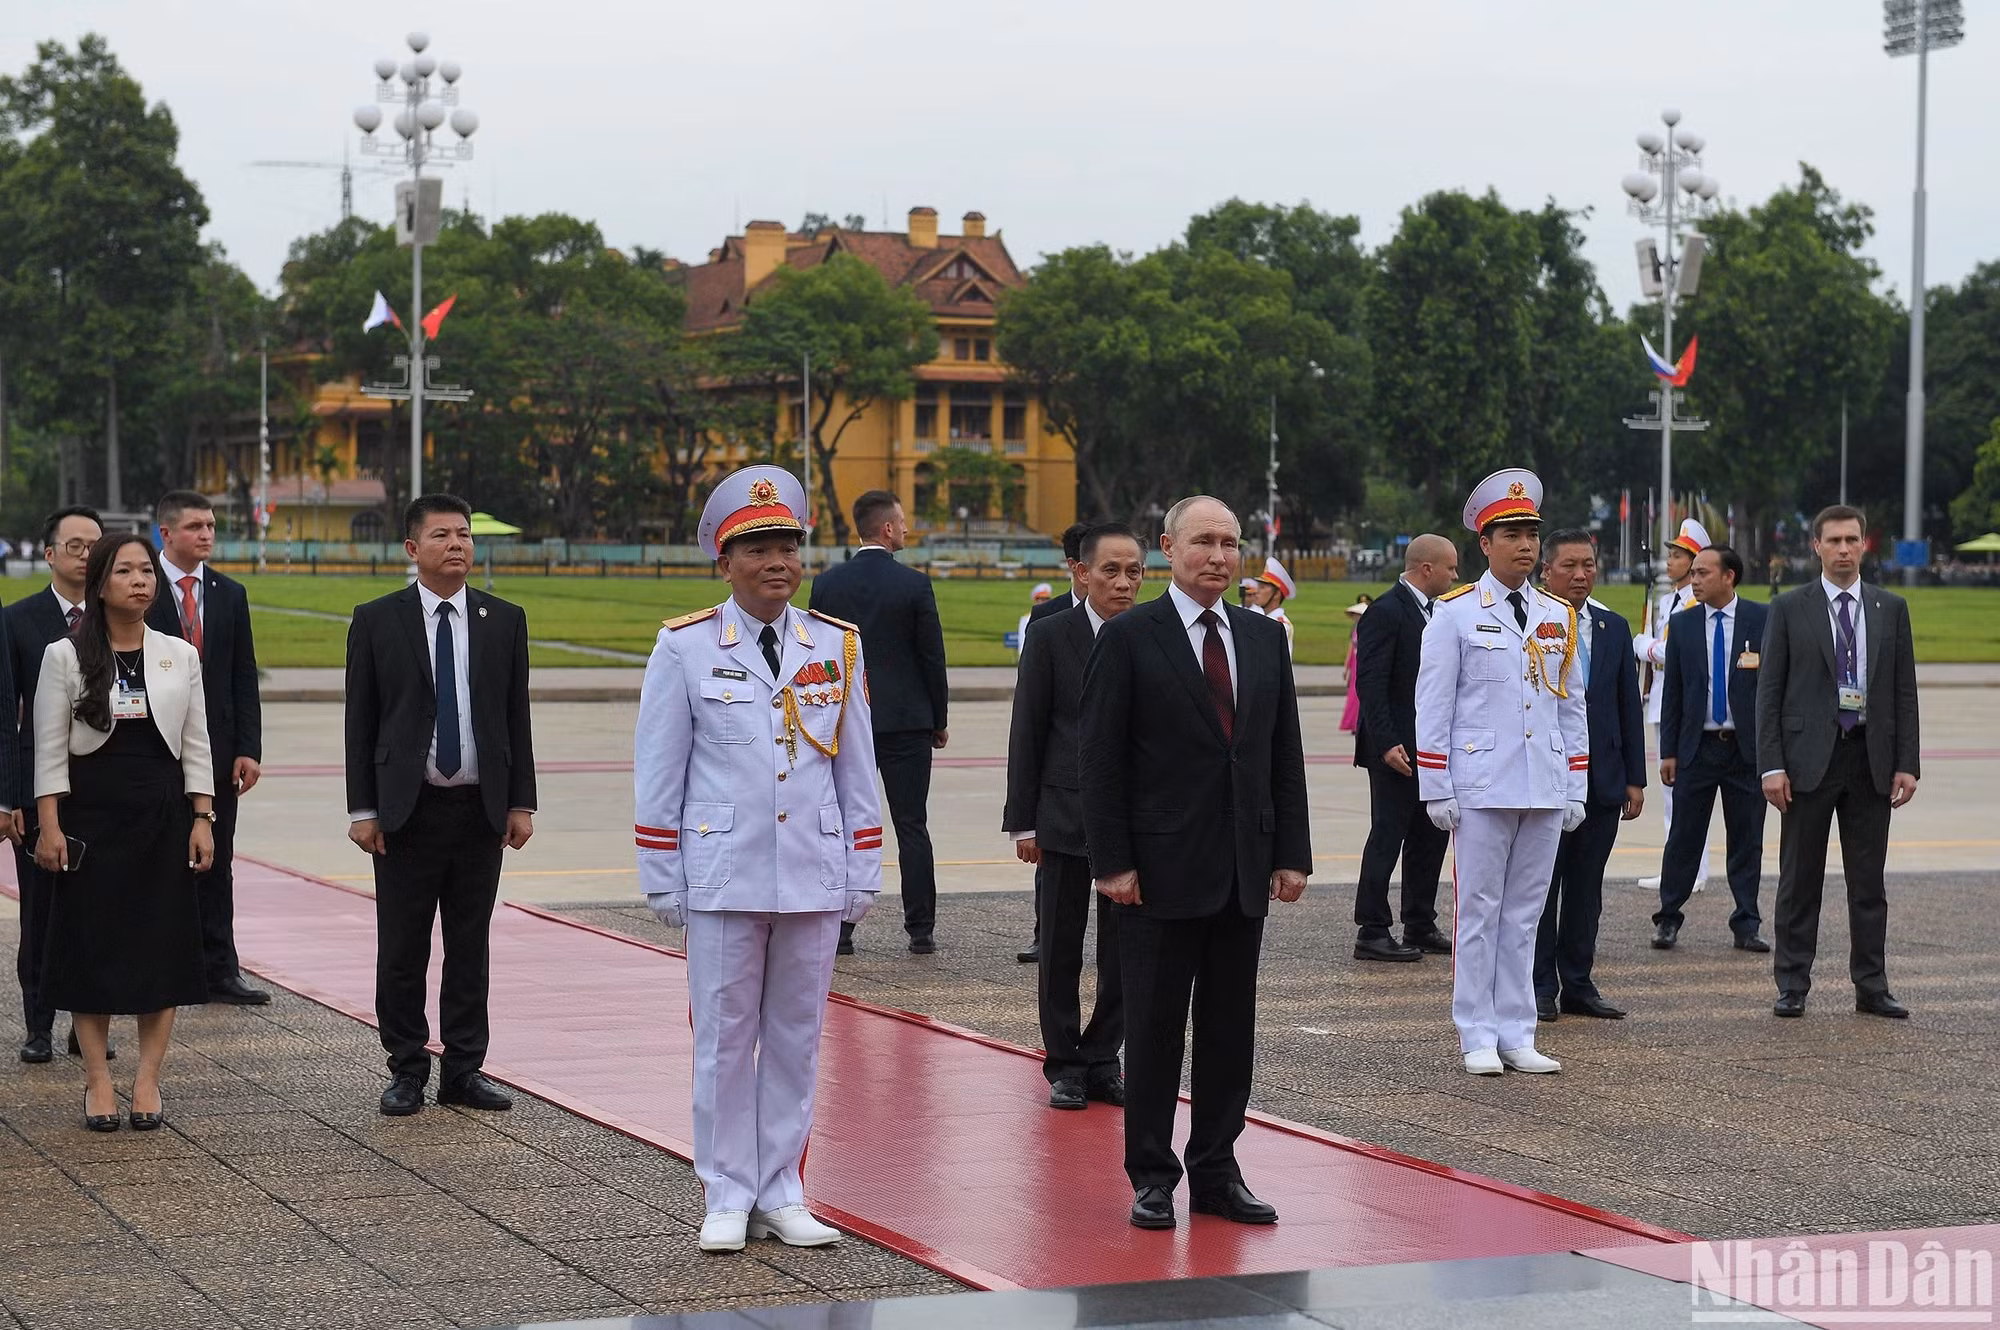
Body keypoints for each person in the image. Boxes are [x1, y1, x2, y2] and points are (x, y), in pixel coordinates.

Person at [636, 466, 881, 1254]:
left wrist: (863, 866)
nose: (778, 562)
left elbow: (856, 767)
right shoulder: (685, 646)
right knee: (722, 1036)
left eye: (788, 546)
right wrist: (662, 871)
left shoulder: (835, 644)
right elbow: (660, 768)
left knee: (796, 1037)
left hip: (810, 868)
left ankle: (782, 1188)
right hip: (723, 870)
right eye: (759, 548)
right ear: (725, 559)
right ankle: (726, 1192)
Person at [1080, 496, 1310, 1232]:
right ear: (1169, 550)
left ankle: (1217, 1168)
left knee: (1227, 1030)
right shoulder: (1128, 637)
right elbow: (1102, 760)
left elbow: (1282, 752)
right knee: (1151, 1030)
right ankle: (1152, 1175)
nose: (1218, 556)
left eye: (1230, 543)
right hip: (1156, 872)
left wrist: (1292, 853)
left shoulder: (1263, 637)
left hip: (1242, 869)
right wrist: (1111, 861)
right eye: (1203, 542)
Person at [344, 494, 537, 1116]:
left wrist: (521, 802)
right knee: (402, 947)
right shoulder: (377, 620)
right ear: (412, 548)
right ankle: (406, 1068)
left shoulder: (503, 619)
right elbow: (361, 721)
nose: (456, 545)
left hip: (478, 810)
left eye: (464, 535)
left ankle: (464, 1068)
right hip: (407, 812)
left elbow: (515, 719)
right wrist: (363, 809)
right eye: (442, 536)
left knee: (468, 943)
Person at [32, 534, 214, 1131]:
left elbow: (196, 744)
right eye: (125, 571)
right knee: (92, 949)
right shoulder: (64, 655)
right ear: (101, 582)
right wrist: (50, 825)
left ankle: (148, 1081)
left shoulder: (178, 654)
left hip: (161, 816)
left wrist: (202, 817)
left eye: (146, 571)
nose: (140, 581)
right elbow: (50, 752)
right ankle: (98, 1081)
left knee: (160, 946)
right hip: (92, 817)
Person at [1415, 469, 1586, 1076]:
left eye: (1531, 533)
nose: (1524, 544)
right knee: (1478, 912)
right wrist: (1436, 784)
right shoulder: (1456, 613)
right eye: (1509, 533)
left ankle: (1519, 1029)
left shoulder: (1557, 614)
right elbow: (1433, 703)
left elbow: (1570, 705)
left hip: (1542, 782)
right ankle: (1476, 1032)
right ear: (1483, 545)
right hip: (1481, 785)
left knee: (1526, 914)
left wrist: (1576, 784)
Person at [1758, 505, 1919, 1020]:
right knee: (1799, 880)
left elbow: (1903, 692)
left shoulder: (1890, 608)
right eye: (1835, 541)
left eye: (1853, 540)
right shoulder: (1788, 608)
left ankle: (1871, 984)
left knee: (1868, 882)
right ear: (1817, 547)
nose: (1844, 549)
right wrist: (1771, 765)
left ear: (1865, 545)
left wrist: (1907, 763)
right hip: (1807, 762)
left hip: (1870, 758)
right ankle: (1792, 984)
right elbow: (1770, 694)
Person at [1004, 523, 1144, 1111]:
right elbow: (1028, 727)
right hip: (1063, 811)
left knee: (1124, 949)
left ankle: (1102, 1057)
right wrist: (1023, 821)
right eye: (1109, 571)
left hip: (1134, 819)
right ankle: (1063, 1062)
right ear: (1081, 573)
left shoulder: (1149, 635)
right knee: (1060, 944)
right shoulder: (1051, 635)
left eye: (1133, 571)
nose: (1123, 582)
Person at [808, 490, 948, 956]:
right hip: (906, 721)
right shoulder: (914, 584)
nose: (907, 530)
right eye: (903, 522)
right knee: (912, 824)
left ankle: (843, 929)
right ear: (887, 529)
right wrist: (938, 719)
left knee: (843, 824)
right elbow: (932, 657)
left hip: (847, 719)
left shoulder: (828, 584)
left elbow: (815, 655)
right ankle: (920, 929)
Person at [147, 490, 268, 1006]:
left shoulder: (229, 592)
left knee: (216, 863)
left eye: (211, 526)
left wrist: (248, 747)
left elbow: (243, 674)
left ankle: (220, 969)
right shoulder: (139, 586)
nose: (207, 535)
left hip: (218, 756)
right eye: (196, 526)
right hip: (152, 752)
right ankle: (156, 969)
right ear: (166, 533)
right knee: (153, 862)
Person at [1533, 531, 1644, 1022]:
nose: (1581, 575)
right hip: (1543, 780)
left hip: (1601, 783)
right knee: (1541, 890)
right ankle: (1538, 986)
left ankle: (1578, 982)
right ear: (1546, 571)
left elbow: (1627, 707)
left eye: (1589, 566)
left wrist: (1633, 778)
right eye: (1570, 566)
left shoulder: (1613, 627)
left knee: (1586, 889)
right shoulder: (1530, 622)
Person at [10, 505, 103, 1064]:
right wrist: (10, 798)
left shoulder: (121, 617)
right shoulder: (17, 621)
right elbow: (7, 716)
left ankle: (88, 1020)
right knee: (41, 911)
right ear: (49, 554)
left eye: (95, 544)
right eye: (75, 545)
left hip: (103, 789)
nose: (86, 554)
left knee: (100, 909)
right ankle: (39, 1023)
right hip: (38, 788)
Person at [1650, 545, 1769, 953]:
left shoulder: (1761, 619)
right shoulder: (1682, 625)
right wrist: (1669, 751)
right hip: (1696, 749)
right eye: (1693, 573)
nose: (1694, 580)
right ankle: (1668, 917)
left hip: (1745, 751)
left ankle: (1747, 923)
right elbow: (1673, 694)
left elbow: (1773, 690)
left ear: (1728, 577)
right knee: (1684, 836)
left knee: (1747, 837)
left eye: (1702, 573)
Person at [1351, 535, 1458, 963]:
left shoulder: (1439, 613)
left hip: (1431, 748)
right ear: (1427, 569)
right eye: (1451, 568)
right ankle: (1372, 929)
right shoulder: (1386, 612)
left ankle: (1419, 921)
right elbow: (1370, 685)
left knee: (1429, 837)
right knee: (1388, 836)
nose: (1456, 576)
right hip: (1394, 748)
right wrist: (1386, 742)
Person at [1017, 521, 1091, 966]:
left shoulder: (1131, 616)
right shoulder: (1047, 619)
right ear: (1076, 566)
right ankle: (1045, 934)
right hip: (1062, 768)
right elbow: (1033, 708)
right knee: (1055, 867)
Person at [1634, 518, 1711, 894]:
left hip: (1679, 704)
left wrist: (1643, 646)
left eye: (1679, 556)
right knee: (1671, 796)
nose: (1670, 562)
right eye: (1671, 555)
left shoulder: (1695, 603)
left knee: (1682, 793)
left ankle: (1688, 871)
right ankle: (1682, 868)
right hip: (1661, 701)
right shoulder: (1669, 600)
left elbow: (1676, 653)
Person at [1247, 556, 1298, 657]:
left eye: (1262, 588)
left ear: (1276, 594)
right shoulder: (1259, 617)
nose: (1256, 591)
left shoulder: (1281, 626)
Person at [1337, 594, 1371, 731]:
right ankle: (1353, 722)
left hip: (1363, 662)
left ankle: (1360, 723)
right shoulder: (1355, 629)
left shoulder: (1369, 628)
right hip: (1355, 662)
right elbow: (1351, 648)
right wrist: (1346, 668)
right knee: (1353, 694)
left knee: (1360, 694)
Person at [1015, 582, 1053, 659]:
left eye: (1047, 599)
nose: (1045, 602)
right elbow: (1022, 638)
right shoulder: (1026, 618)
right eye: (1042, 599)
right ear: (1036, 600)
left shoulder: (1053, 617)